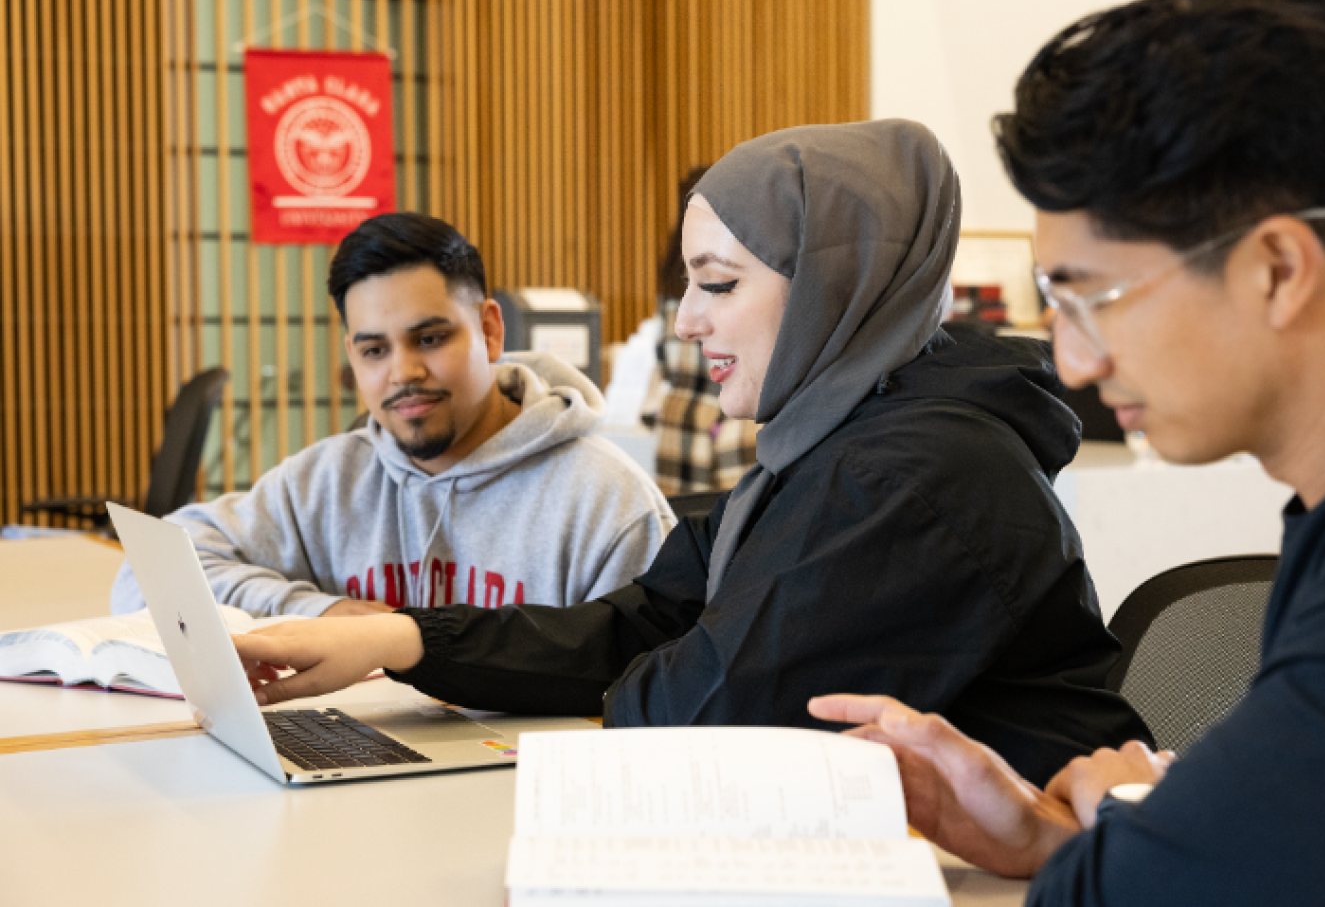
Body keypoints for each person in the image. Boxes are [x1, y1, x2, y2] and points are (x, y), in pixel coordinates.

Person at [234, 119, 1148, 786]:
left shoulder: (908, 475)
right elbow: (641, 622)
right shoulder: (829, 440)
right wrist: (396, 638)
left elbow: (693, 710)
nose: (687, 317)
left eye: (717, 283)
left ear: (835, 288)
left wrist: (660, 657)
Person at [812, 0, 1325, 906]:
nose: (1072, 362)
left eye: (1091, 299)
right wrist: (1053, 826)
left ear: (1275, 268)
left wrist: (1110, 830)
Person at [112, 212, 673, 617]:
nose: (402, 372)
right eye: (374, 350)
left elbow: (656, 687)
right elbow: (146, 573)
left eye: (429, 338)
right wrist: (322, 616)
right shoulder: (328, 482)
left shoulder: (606, 502)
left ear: (490, 329)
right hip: (358, 769)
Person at [651, 164, 760, 496]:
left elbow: (661, 356)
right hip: (728, 426)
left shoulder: (673, 277)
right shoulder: (727, 269)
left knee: (687, 531)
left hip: (679, 422)